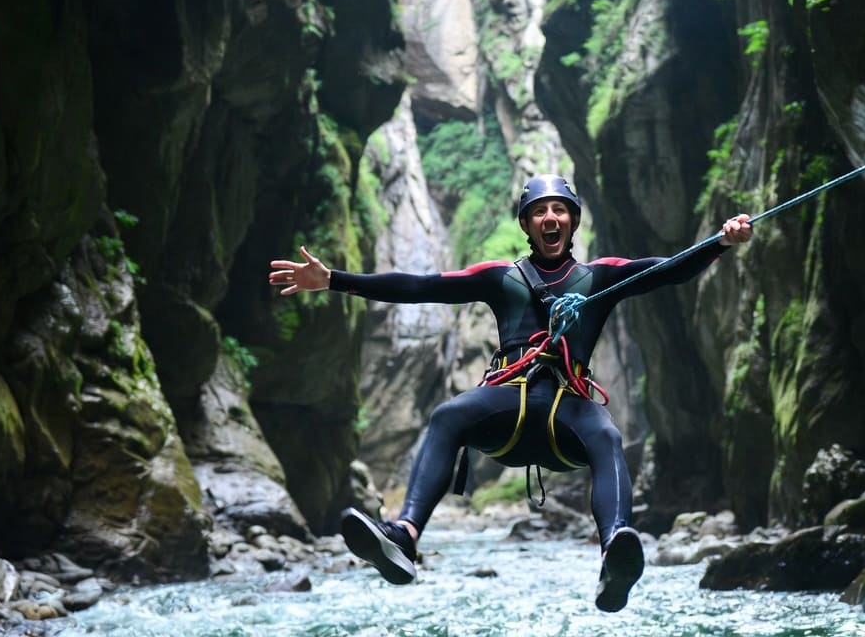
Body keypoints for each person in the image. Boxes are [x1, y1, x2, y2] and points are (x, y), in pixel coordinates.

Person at [268, 174, 752, 612]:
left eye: (559, 210)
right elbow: (419, 286)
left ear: (573, 220)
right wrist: (333, 280)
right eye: (539, 211)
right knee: (447, 416)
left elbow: (668, 268)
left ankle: (614, 556)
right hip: (509, 406)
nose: (550, 217)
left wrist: (720, 244)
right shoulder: (501, 277)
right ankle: (404, 536)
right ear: (526, 224)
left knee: (607, 437)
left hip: (570, 411)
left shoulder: (601, 276)